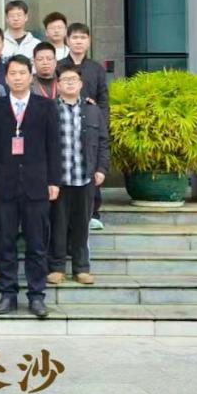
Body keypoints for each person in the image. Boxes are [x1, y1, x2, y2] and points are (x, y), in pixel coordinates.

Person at [0, 56, 61, 319]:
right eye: (12, 73)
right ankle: (7, 294)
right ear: (5, 78)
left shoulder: (46, 106)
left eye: (22, 73)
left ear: (31, 76)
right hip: (3, 185)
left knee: (37, 244)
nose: (17, 78)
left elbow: (54, 145)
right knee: (5, 242)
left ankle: (37, 296)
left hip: (37, 185)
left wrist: (53, 181)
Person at [48, 65, 110, 287]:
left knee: (82, 225)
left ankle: (81, 268)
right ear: (58, 85)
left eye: (73, 79)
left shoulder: (93, 110)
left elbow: (103, 141)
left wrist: (102, 169)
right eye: (65, 79)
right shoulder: (49, 109)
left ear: (81, 84)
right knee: (57, 225)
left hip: (85, 177)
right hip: (59, 179)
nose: (70, 83)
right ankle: (57, 268)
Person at [57, 22, 110, 229]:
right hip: (65, 123)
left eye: (83, 38)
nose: (78, 41)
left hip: (91, 124)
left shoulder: (96, 68)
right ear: (67, 40)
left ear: (88, 41)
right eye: (75, 37)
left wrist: (102, 123)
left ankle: (93, 213)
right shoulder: (60, 66)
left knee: (91, 167)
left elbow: (103, 100)